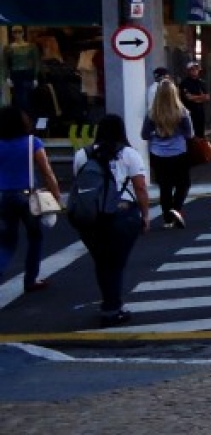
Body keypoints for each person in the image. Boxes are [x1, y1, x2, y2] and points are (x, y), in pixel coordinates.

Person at [72, 114, 149, 327]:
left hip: (92, 217)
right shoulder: (129, 154)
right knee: (116, 262)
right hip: (122, 214)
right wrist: (145, 215)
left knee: (101, 261)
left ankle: (109, 302)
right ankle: (112, 308)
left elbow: (80, 184)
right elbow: (140, 187)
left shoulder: (82, 155)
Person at [0, 106, 61, 294]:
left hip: (3, 195)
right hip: (27, 196)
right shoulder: (32, 142)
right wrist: (56, 195)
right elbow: (47, 172)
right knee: (35, 237)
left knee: (7, 240)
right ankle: (31, 279)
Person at [141, 80, 193, 229]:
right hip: (178, 152)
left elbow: (144, 135)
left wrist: (156, 133)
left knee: (165, 186)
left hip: (158, 153)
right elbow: (189, 134)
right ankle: (176, 209)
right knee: (183, 183)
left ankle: (167, 218)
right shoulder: (182, 112)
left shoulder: (152, 114)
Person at [3, 26, 40, 114]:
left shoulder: (31, 47)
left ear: (23, 33)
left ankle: (31, 121)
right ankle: (24, 121)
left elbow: (36, 62)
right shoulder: (8, 48)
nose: (17, 34)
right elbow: (5, 63)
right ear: (12, 34)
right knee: (20, 99)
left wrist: (35, 77)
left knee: (29, 98)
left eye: (19, 32)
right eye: (15, 32)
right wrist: (7, 77)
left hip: (28, 74)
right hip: (16, 74)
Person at [179, 61, 210, 138]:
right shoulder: (184, 83)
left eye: (196, 69)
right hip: (189, 113)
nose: (195, 71)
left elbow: (207, 97)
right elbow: (188, 97)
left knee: (201, 134)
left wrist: (195, 98)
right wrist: (201, 97)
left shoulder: (201, 82)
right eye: (192, 69)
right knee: (191, 135)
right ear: (188, 71)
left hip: (200, 112)